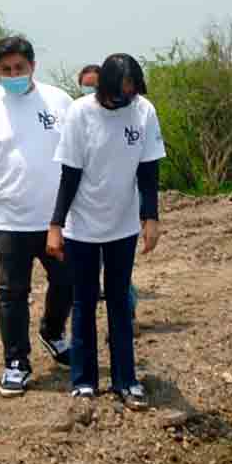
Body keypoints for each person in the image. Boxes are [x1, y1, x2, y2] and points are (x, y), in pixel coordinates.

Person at [0, 36, 74, 398]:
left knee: (67, 282)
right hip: (9, 220)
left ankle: (53, 332)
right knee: (12, 294)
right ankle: (16, 363)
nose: (13, 74)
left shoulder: (59, 101)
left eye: (19, 68)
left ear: (32, 66)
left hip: (57, 219)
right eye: (5, 70)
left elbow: (78, 156)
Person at [48, 53, 164, 409]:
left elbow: (148, 170)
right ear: (103, 88)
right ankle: (83, 381)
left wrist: (151, 217)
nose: (124, 99)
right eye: (118, 93)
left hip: (123, 224)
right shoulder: (81, 113)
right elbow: (69, 176)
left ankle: (126, 380)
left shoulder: (144, 111)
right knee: (83, 303)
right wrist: (56, 225)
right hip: (83, 224)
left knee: (119, 302)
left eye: (130, 92)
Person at [76, 65, 139, 322]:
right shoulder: (79, 115)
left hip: (119, 204)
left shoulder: (129, 113)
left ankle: (127, 314)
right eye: (85, 85)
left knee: (117, 273)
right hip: (86, 207)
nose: (90, 90)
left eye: (94, 84)